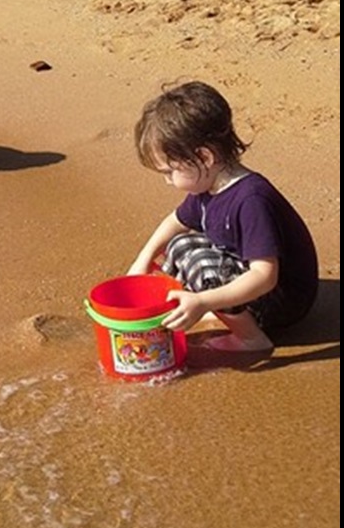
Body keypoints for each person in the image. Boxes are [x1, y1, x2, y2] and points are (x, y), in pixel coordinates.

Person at [127, 81, 318, 353]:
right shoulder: (209, 185)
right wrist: (142, 261)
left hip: (283, 301)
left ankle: (250, 337)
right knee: (180, 245)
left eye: (169, 172)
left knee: (202, 264)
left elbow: (265, 276)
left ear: (204, 157)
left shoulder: (251, 200)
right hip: (251, 280)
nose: (167, 181)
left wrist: (204, 301)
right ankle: (220, 307)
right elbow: (175, 222)